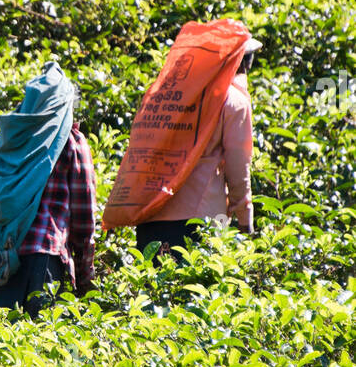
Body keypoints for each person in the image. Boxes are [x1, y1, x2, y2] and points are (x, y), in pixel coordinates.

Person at [102, 19, 260, 261]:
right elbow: (239, 167)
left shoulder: (164, 95)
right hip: (199, 222)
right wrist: (244, 219)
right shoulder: (233, 100)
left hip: (150, 215)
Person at [0, 60, 96, 315]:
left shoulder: (7, 138)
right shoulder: (72, 142)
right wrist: (86, 278)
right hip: (42, 260)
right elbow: (84, 219)